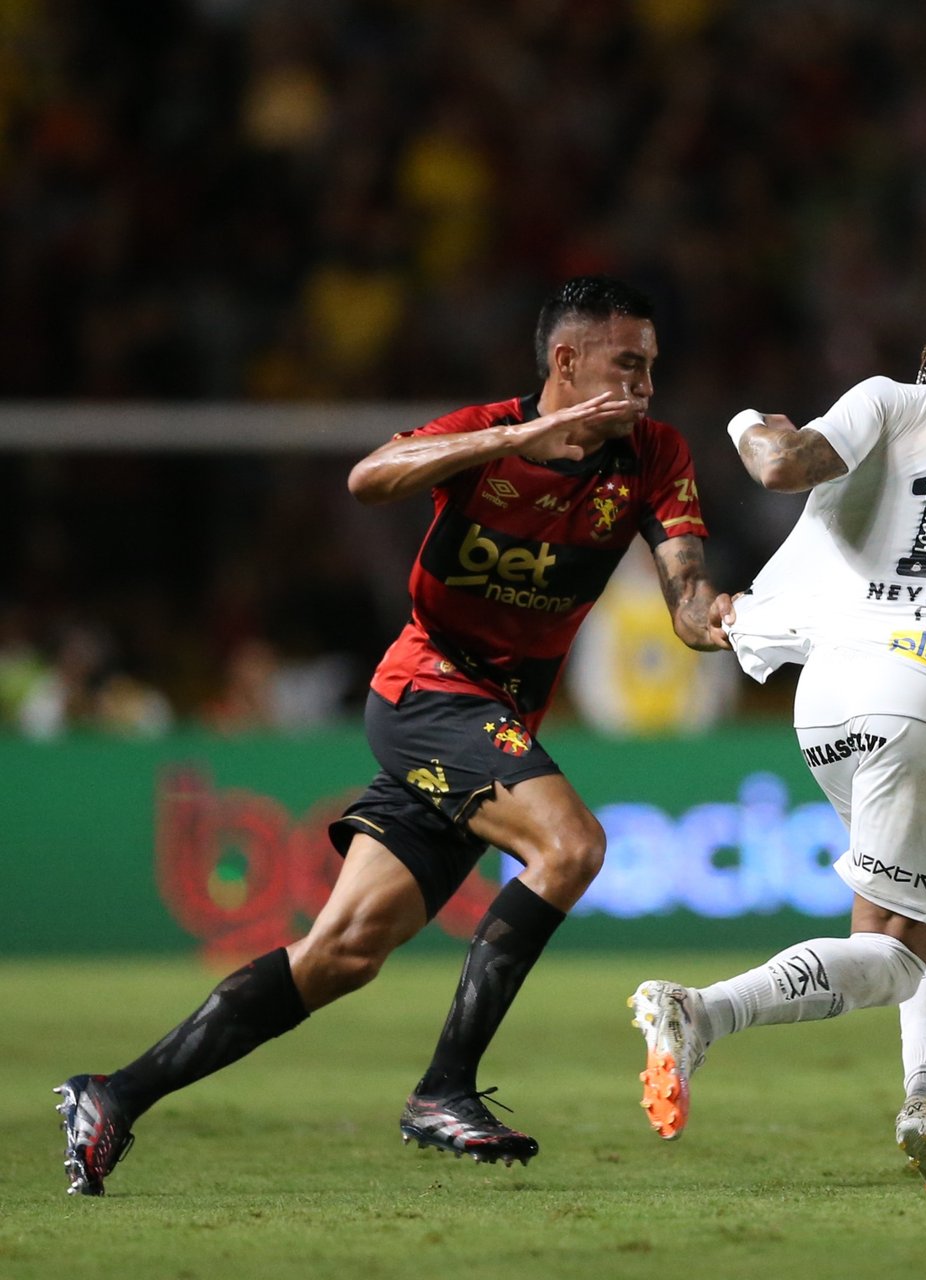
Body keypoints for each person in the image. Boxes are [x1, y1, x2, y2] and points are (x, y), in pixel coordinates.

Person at [56, 276, 731, 1194]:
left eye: (653, 366)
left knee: (342, 953)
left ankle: (113, 1096)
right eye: (629, 364)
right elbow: (366, 477)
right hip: (428, 693)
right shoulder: (486, 431)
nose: (648, 385)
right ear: (565, 363)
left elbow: (688, 608)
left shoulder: (654, 455)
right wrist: (512, 439)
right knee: (571, 847)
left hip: (496, 721)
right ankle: (444, 1088)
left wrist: (730, 616)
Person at [627, 294, 926, 1191]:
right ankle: (701, 1013)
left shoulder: (888, 400)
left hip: (826, 688)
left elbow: (780, 464)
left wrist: (743, 419)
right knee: (891, 958)